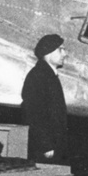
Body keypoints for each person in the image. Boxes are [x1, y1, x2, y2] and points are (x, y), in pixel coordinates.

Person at [21, 34, 69, 164]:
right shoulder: (39, 76)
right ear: (48, 52)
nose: (65, 54)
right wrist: (46, 145)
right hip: (45, 148)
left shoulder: (47, 75)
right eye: (61, 49)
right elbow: (34, 113)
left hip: (52, 144)